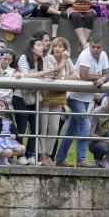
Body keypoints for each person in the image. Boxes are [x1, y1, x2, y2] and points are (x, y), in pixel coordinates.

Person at [55, 39, 108, 168]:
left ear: (102, 47)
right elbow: (84, 75)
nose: (95, 49)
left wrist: (103, 77)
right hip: (75, 96)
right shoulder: (85, 54)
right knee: (85, 124)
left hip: (86, 97)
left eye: (98, 47)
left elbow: (106, 73)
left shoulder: (104, 55)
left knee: (72, 129)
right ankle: (81, 159)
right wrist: (100, 77)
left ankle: (60, 159)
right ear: (89, 46)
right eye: (93, 47)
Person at [13, 38, 56, 164]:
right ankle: (20, 157)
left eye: (41, 45)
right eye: (38, 45)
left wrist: (53, 72)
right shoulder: (23, 58)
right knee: (21, 126)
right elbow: (26, 76)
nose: (42, 47)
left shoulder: (42, 60)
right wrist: (44, 72)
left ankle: (29, 155)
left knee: (37, 128)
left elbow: (47, 74)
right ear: (31, 48)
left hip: (35, 97)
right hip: (21, 97)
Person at [41, 37, 78, 166]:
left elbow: (76, 75)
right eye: (56, 46)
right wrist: (63, 62)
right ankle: (41, 156)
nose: (57, 48)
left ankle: (48, 154)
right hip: (46, 97)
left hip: (58, 97)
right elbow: (53, 75)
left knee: (54, 128)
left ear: (65, 49)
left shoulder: (67, 61)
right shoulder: (48, 59)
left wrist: (63, 77)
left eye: (61, 46)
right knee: (43, 127)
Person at [0, 98, 26, 165]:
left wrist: (14, 134)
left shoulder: (8, 119)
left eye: (1, 106)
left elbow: (15, 129)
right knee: (9, 152)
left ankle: (3, 158)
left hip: (7, 140)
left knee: (22, 148)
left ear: (6, 108)